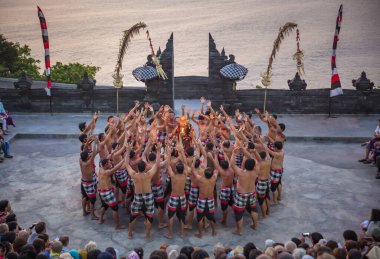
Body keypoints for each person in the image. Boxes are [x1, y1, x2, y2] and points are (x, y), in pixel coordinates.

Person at [125, 142, 162, 240]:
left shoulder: (134, 175)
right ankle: (147, 236)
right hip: (148, 196)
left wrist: (128, 151)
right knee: (149, 216)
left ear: (138, 168)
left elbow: (126, 164)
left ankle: (129, 234)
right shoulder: (148, 174)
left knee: (133, 216)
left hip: (138, 196)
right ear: (145, 167)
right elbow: (157, 164)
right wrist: (158, 151)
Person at [231, 148, 259, 235]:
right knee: (253, 209)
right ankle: (255, 225)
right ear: (253, 166)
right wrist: (251, 151)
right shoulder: (256, 170)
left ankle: (239, 231)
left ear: (245, 165)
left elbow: (232, 164)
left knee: (239, 213)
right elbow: (256, 160)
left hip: (242, 194)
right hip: (252, 192)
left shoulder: (241, 173)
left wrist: (233, 153)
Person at [97, 154, 127, 229]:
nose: (111, 163)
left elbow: (105, 159)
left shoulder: (101, 168)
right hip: (107, 193)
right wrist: (124, 159)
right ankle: (117, 225)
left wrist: (112, 153)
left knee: (104, 205)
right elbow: (117, 167)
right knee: (115, 209)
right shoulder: (106, 172)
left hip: (101, 192)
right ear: (106, 164)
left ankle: (100, 220)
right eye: (110, 163)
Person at [165, 148, 189, 238]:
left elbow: (167, 165)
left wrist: (169, 154)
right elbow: (186, 164)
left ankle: (170, 234)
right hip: (182, 197)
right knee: (182, 216)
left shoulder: (173, 176)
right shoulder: (185, 174)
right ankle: (182, 233)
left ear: (176, 169)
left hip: (174, 197)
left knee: (170, 216)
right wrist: (182, 152)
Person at [189, 161, 218, 238]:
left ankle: (200, 234)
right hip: (210, 199)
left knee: (200, 218)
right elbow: (217, 168)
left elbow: (192, 169)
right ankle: (214, 232)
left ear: (204, 174)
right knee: (211, 217)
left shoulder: (201, 179)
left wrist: (194, 159)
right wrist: (213, 158)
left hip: (201, 200)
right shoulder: (214, 178)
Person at [79, 137, 99, 219]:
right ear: (87, 157)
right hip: (89, 183)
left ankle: (84, 211)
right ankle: (92, 215)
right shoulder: (87, 163)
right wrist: (95, 143)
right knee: (92, 199)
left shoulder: (80, 160)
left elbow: (84, 149)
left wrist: (88, 141)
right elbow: (94, 153)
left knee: (84, 197)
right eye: (88, 155)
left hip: (83, 182)